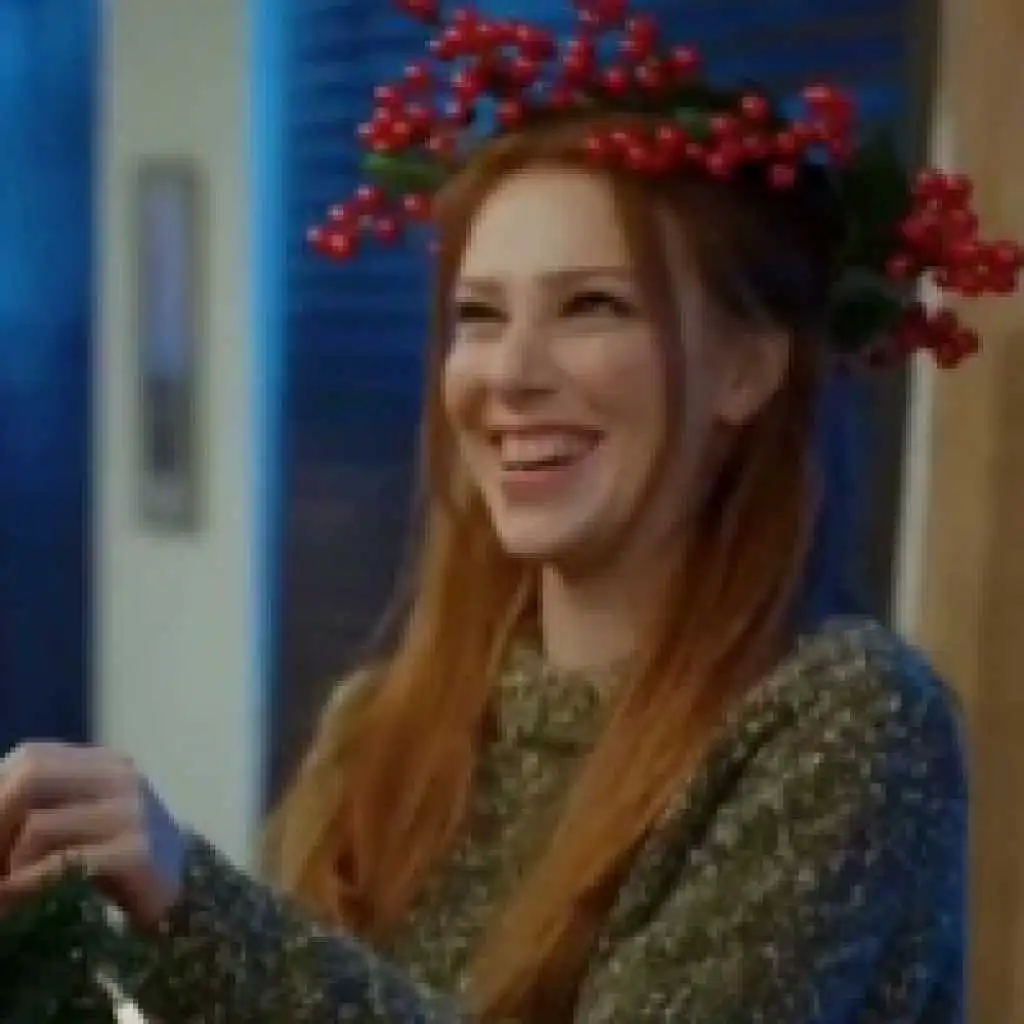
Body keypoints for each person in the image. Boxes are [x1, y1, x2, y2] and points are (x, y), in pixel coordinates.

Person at [1, 0, 1015, 1019]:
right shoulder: (379, 732)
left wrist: (196, 911)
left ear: (748, 370)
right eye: (479, 316)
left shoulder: (849, 720)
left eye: (592, 306)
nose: (511, 374)